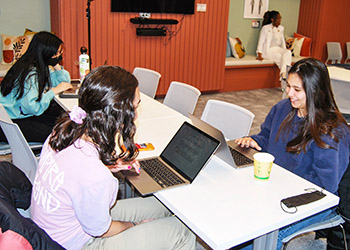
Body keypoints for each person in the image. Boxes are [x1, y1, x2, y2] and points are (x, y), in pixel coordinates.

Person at [30, 66, 196, 250]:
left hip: (59, 227)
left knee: (164, 208)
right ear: (120, 116)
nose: (137, 112)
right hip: (78, 243)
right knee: (181, 231)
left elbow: (74, 176)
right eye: (135, 106)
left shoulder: (60, 133)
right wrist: (133, 226)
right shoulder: (95, 175)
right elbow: (100, 230)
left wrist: (108, 165)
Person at [235, 58, 350, 249]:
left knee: (257, 238)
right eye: (288, 86)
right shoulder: (282, 109)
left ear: (316, 92)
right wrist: (255, 141)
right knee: (239, 220)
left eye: (297, 90)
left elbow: (325, 187)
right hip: (275, 188)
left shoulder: (332, 131)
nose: (289, 93)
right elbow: (266, 136)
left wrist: (281, 186)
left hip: (311, 200)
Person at [0, 31, 72, 143]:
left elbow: (65, 84)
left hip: (17, 115)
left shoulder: (36, 64)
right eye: (56, 53)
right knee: (59, 133)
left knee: (62, 123)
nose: (59, 56)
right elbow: (32, 107)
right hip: (8, 122)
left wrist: (56, 65)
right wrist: (53, 91)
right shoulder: (31, 72)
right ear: (46, 53)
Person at [256, 10, 291, 95]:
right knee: (283, 60)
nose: (280, 20)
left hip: (278, 49)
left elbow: (282, 41)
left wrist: (285, 50)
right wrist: (259, 53)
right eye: (278, 18)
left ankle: (283, 75)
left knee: (288, 53)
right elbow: (261, 41)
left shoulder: (281, 28)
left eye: (280, 18)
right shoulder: (266, 28)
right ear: (272, 19)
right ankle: (284, 82)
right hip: (269, 50)